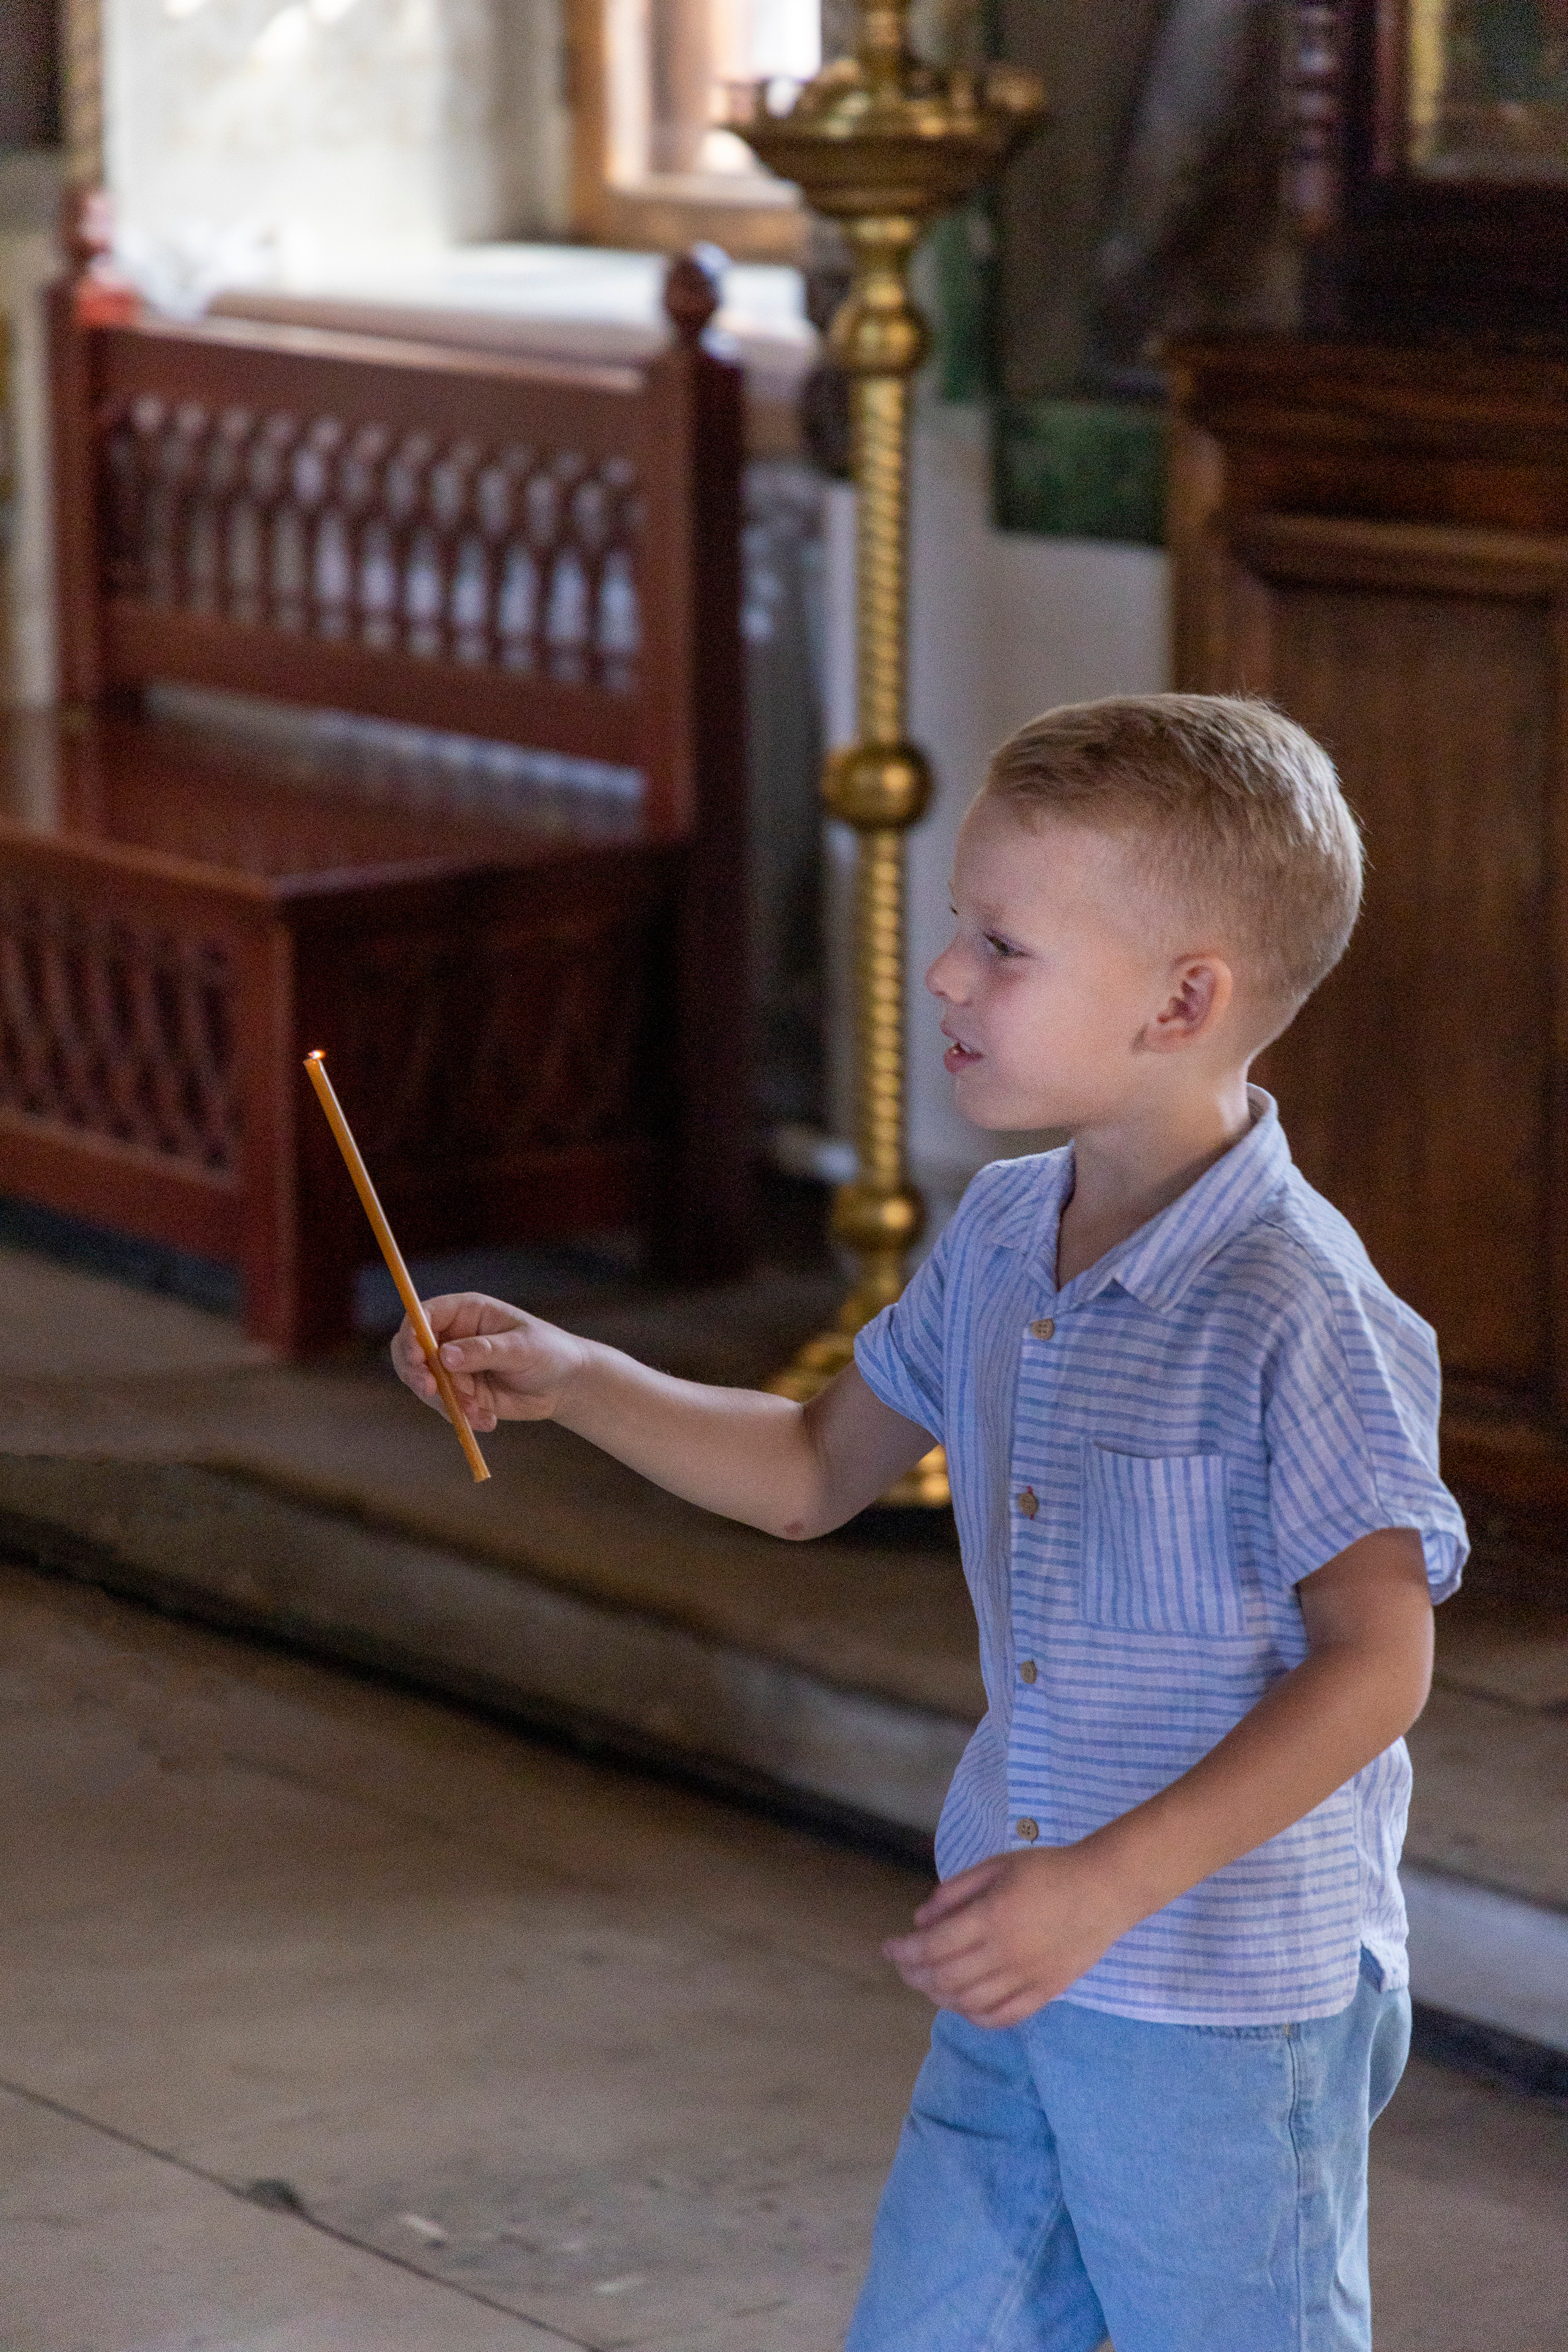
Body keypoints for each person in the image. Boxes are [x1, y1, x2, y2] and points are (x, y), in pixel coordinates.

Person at [392, 693, 1466, 2352]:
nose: (943, 973)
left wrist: (1108, 1883)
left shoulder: (1297, 1306)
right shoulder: (1001, 1227)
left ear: (1187, 1000)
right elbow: (817, 1466)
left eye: (1003, 945)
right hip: (1020, 1953)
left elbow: (1378, 1666)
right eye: (961, 927)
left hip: (1216, 2002)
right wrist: (583, 1381)